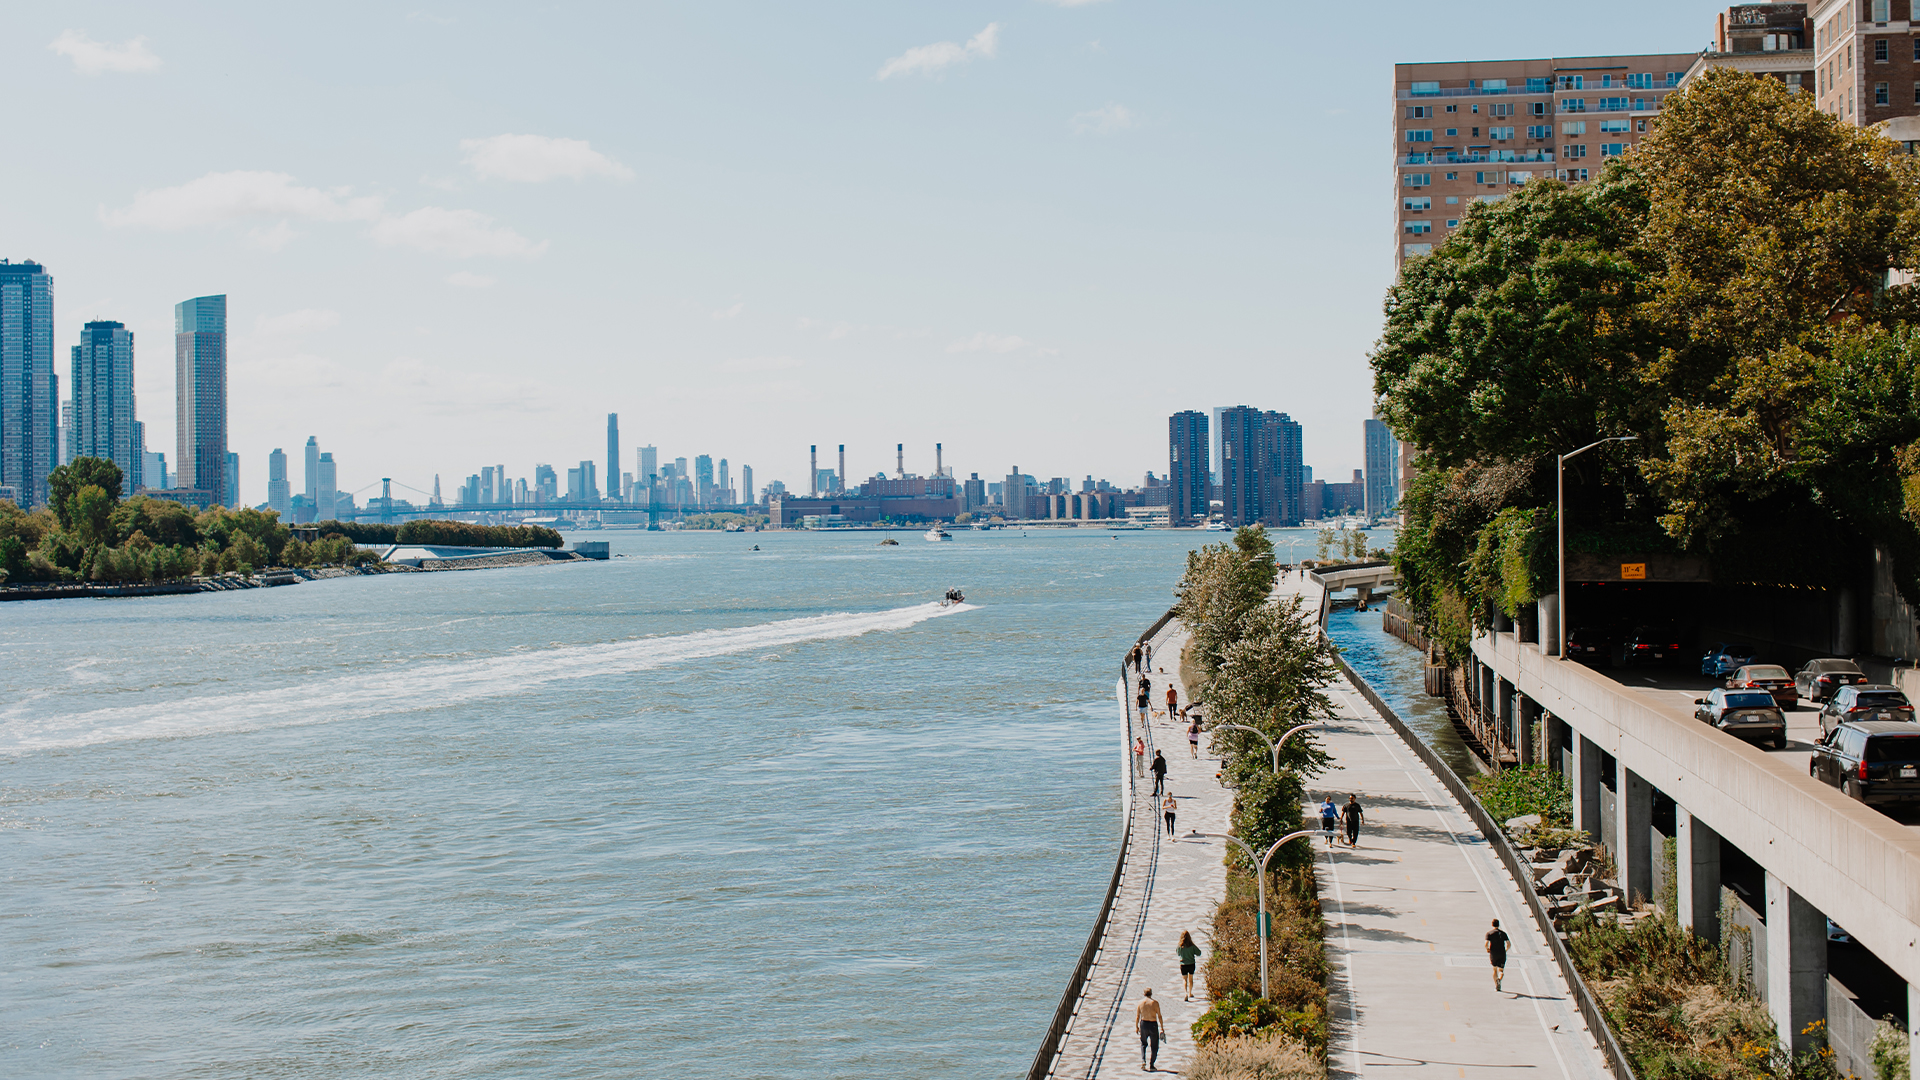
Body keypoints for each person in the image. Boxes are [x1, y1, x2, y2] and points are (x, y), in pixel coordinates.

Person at [1136, 988, 1163, 1071]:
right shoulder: (1155, 1003)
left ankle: (1143, 1060)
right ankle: (1151, 1064)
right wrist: (1162, 1027)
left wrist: (1136, 1026)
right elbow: (1159, 1016)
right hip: (1153, 1024)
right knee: (1154, 1045)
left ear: (1144, 994)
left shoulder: (1140, 1003)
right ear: (1151, 994)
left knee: (1143, 1043)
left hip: (1143, 1024)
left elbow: (1138, 1016)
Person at [1176, 931, 1202, 1001]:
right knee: (1190, 979)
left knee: (1184, 979)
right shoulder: (1192, 946)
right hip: (1191, 964)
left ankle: (1185, 993)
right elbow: (1199, 953)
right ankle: (1190, 993)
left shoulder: (1180, 946)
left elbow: (1178, 953)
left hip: (1183, 964)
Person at [1486, 918, 1511, 991]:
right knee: (1501, 971)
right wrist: (1506, 950)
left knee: (1494, 970)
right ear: (1499, 924)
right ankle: (1499, 979)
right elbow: (1509, 944)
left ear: (1492, 924)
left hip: (1494, 953)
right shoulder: (1503, 933)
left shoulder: (1489, 933)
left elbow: (1486, 944)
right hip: (1502, 953)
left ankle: (1497, 985)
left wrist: (1487, 949)